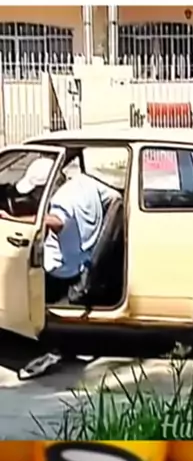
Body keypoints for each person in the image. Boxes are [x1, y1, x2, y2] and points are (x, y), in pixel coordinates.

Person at [0, 155, 121, 378]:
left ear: (47, 185)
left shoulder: (61, 199)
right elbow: (115, 198)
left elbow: (57, 221)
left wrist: (13, 220)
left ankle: (44, 347)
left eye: (36, 191)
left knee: (18, 281)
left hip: (62, 270)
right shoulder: (86, 183)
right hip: (85, 259)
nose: (35, 196)